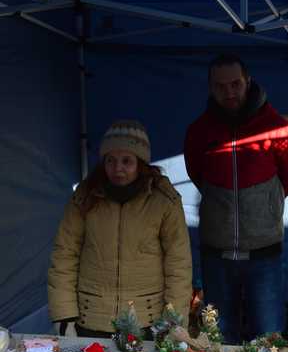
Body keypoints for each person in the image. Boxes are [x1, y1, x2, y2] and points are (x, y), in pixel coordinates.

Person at [184, 54, 288, 343]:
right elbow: (196, 173)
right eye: (220, 86)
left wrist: (265, 203)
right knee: (220, 337)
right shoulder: (199, 131)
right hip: (216, 255)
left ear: (247, 82)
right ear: (211, 88)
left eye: (235, 84)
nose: (229, 92)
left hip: (264, 253)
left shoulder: (275, 126)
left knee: (268, 336)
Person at [48, 120, 192, 338]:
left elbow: (178, 264)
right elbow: (64, 256)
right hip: (90, 319)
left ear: (141, 163)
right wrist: (64, 316)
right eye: (110, 160)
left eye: (127, 161)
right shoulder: (84, 197)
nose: (118, 169)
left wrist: (173, 321)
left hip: (147, 321)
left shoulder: (164, 201)